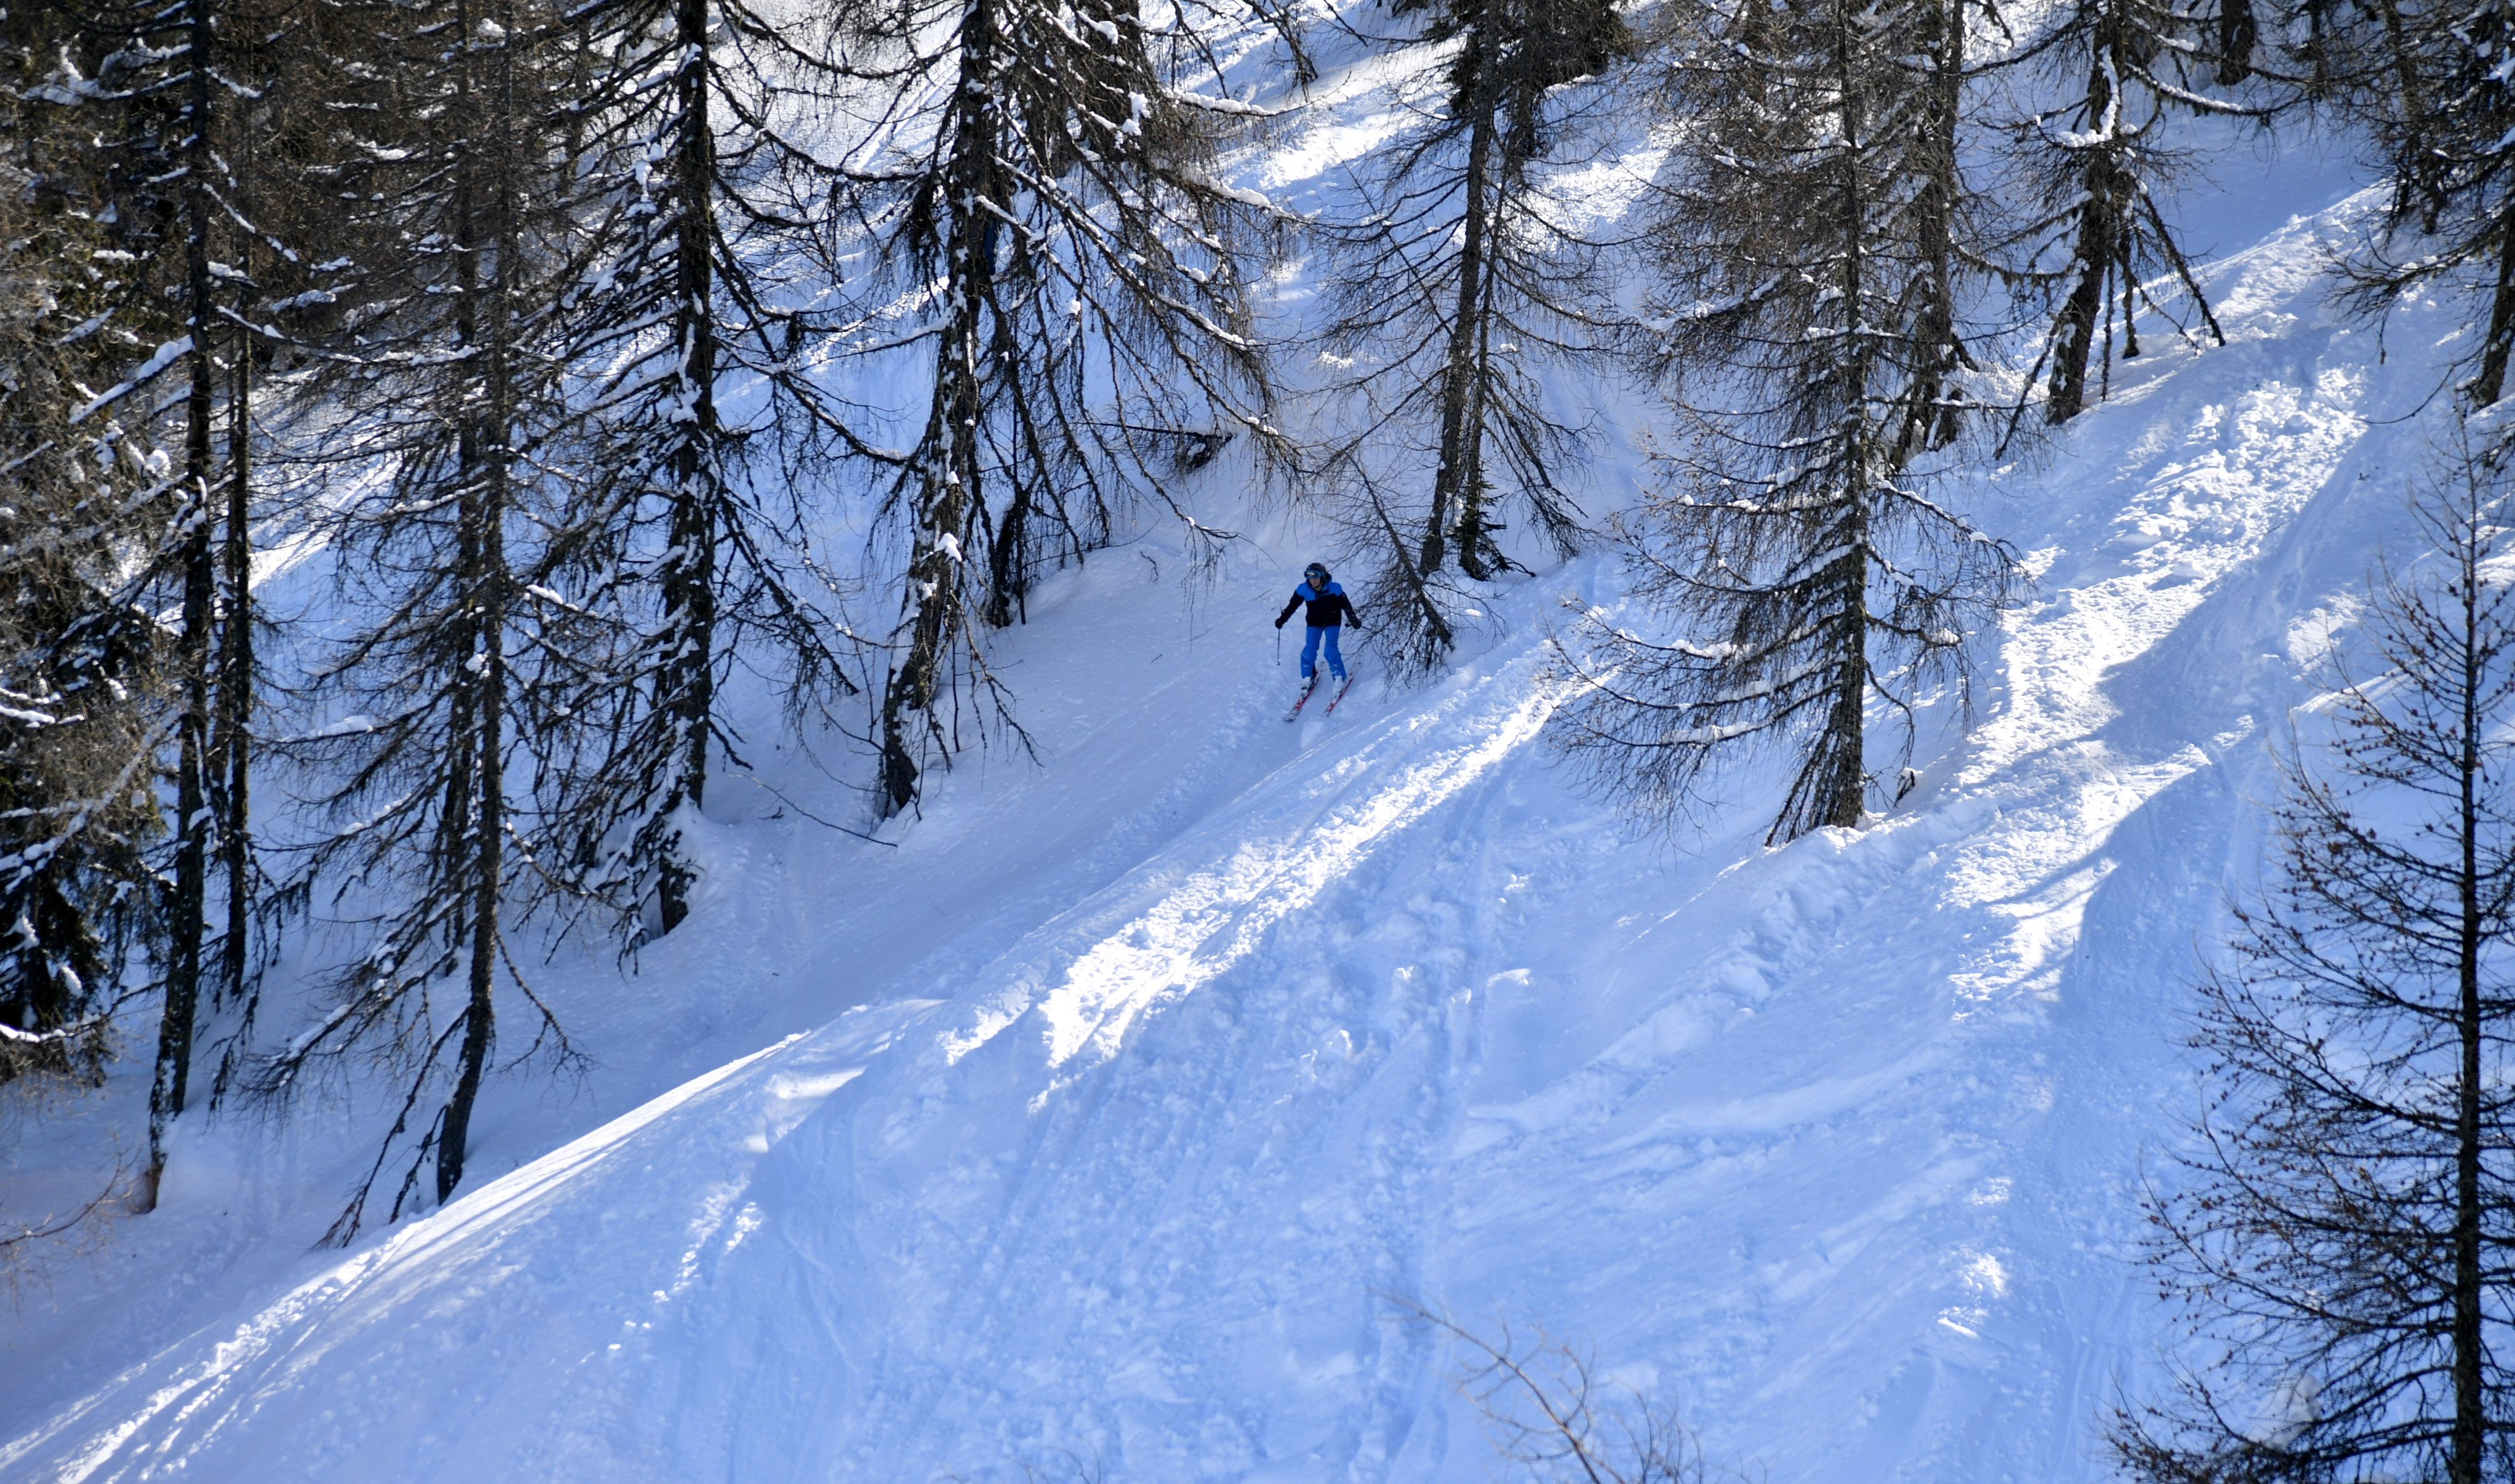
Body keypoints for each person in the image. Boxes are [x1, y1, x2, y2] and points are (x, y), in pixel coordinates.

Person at [1274, 562, 1359, 686]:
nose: (1313, 581)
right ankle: (1308, 678)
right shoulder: (1303, 589)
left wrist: (1353, 619)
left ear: (1323, 576)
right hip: (1314, 623)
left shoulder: (1335, 588)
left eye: (1316, 577)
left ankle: (1340, 678)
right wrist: (1282, 619)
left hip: (1332, 622)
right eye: (1310, 577)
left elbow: (1346, 606)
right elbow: (1292, 606)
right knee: (1309, 651)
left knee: (1330, 651)